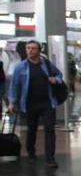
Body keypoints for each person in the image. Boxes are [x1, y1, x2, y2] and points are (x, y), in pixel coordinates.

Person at [7, 40, 64, 168]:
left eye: (33, 48)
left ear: (39, 51)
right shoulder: (20, 67)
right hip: (30, 103)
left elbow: (59, 75)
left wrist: (55, 80)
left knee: (49, 129)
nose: (30, 51)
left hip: (47, 102)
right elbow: (14, 85)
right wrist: (12, 102)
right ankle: (31, 152)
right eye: (28, 48)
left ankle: (50, 158)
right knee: (31, 129)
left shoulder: (46, 64)